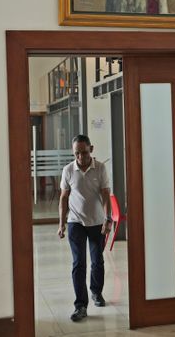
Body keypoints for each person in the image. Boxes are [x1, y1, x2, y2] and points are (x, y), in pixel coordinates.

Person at [57, 134, 113, 322]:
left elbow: (105, 195)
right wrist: (61, 223)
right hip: (76, 222)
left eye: (84, 152)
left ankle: (96, 292)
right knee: (78, 263)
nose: (80, 157)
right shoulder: (68, 170)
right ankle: (80, 305)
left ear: (92, 149)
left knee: (97, 261)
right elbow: (64, 197)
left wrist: (108, 219)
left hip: (97, 222)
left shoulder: (100, 168)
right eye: (77, 153)